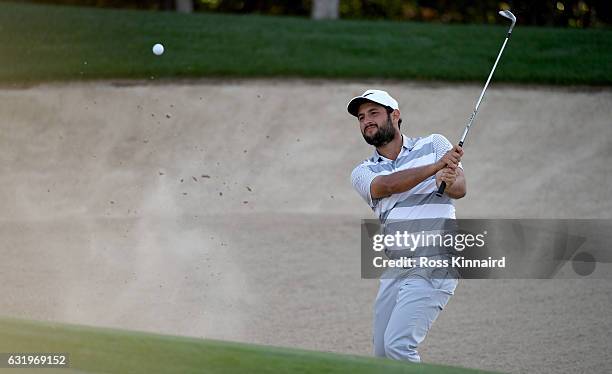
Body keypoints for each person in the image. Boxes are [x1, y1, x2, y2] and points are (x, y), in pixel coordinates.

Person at [348, 89, 466, 363]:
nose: (366, 121)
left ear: (395, 115)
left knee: (398, 347)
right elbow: (387, 186)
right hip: (397, 267)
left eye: (374, 113)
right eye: (361, 117)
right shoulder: (363, 172)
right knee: (382, 354)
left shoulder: (435, 143)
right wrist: (435, 168)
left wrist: (447, 177)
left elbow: (459, 188)